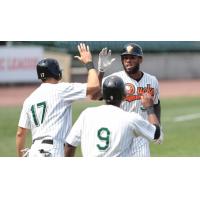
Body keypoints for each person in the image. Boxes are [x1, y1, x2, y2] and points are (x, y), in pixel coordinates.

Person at [16, 43, 100, 157]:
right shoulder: (62, 89)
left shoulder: (29, 99)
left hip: (33, 151)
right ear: (56, 73)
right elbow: (94, 86)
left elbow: (20, 133)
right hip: (52, 149)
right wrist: (89, 63)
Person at [65, 76, 162, 157]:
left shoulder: (86, 114)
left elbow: (70, 145)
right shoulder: (131, 118)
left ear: (103, 94)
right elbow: (156, 134)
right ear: (124, 96)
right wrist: (149, 108)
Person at [97, 43, 163, 156]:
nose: (128, 60)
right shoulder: (114, 80)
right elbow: (96, 95)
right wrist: (101, 71)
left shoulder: (152, 81)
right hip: (118, 135)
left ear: (140, 59)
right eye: (125, 58)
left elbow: (156, 104)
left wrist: (158, 126)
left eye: (132, 57)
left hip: (140, 137)